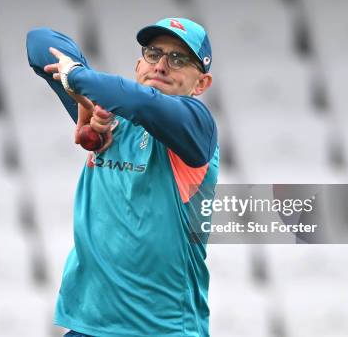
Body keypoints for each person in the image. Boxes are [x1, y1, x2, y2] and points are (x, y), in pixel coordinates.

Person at [26, 17, 219, 337]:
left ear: (201, 84)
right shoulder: (105, 112)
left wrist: (78, 77)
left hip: (162, 330)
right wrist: (81, 89)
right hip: (87, 327)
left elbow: (143, 104)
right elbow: (39, 41)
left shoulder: (197, 125)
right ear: (138, 65)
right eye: (153, 54)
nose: (161, 66)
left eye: (178, 59)